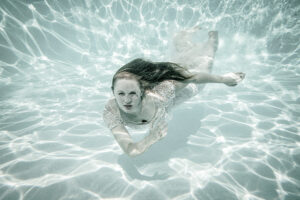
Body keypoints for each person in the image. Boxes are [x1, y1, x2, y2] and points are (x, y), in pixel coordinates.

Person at [103, 28, 245, 157]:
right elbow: (131, 150)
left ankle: (212, 37)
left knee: (204, 65)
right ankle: (181, 39)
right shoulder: (111, 113)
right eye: (120, 94)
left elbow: (192, 77)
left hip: (178, 94)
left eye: (132, 93)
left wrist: (224, 79)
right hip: (165, 92)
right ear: (113, 92)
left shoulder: (160, 95)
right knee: (180, 63)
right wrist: (150, 139)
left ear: (142, 91)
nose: (126, 100)